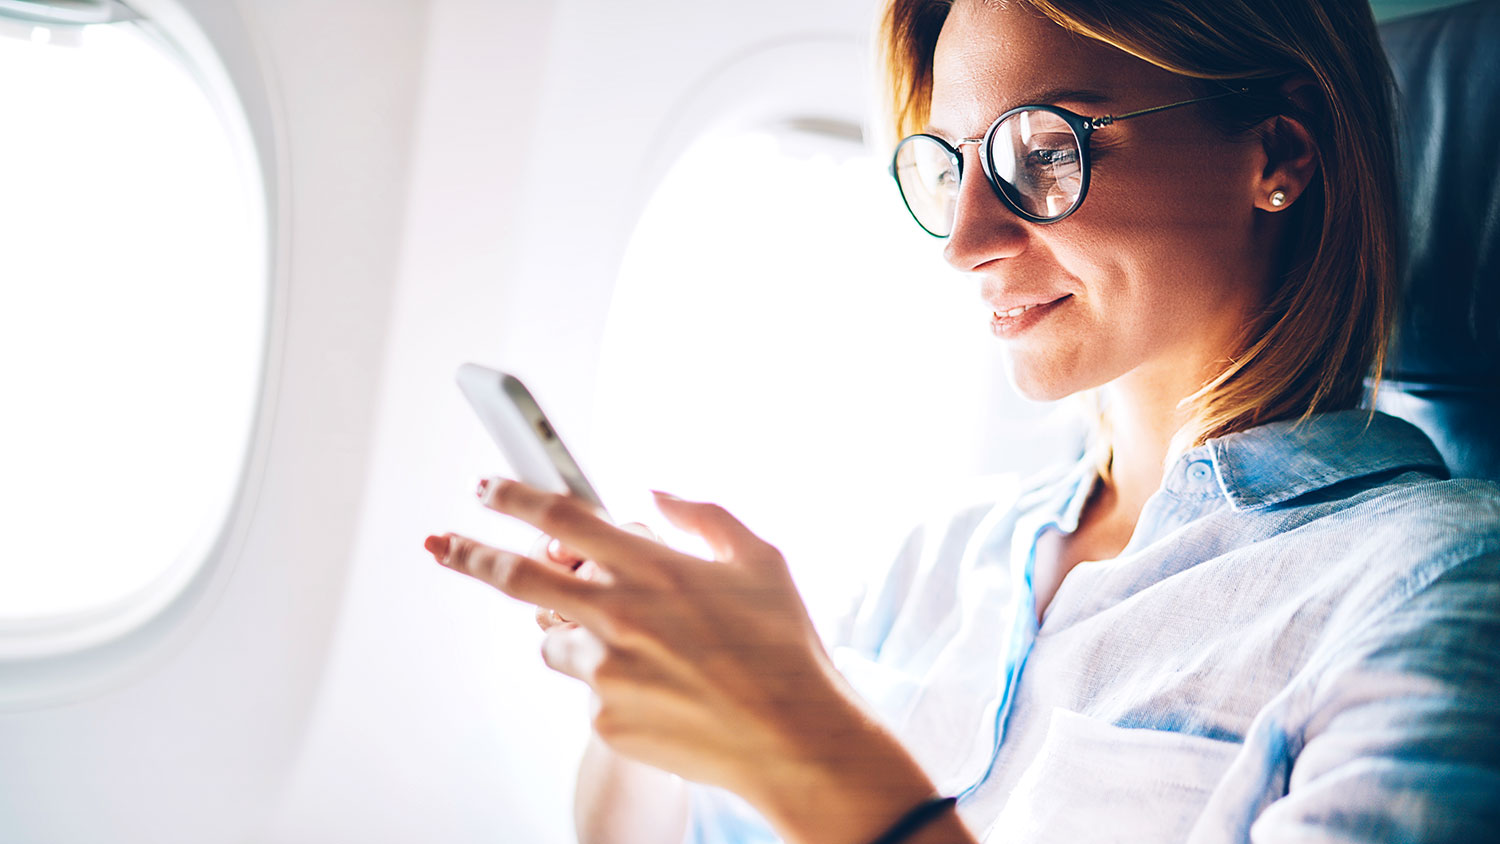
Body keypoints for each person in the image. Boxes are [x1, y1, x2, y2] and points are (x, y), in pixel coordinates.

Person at [423, 0, 1500, 841]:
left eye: (1044, 151)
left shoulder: (1435, 585)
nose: (965, 238)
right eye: (953, 167)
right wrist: (662, 684)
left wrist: (817, 754)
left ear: (1279, 153)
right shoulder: (938, 565)